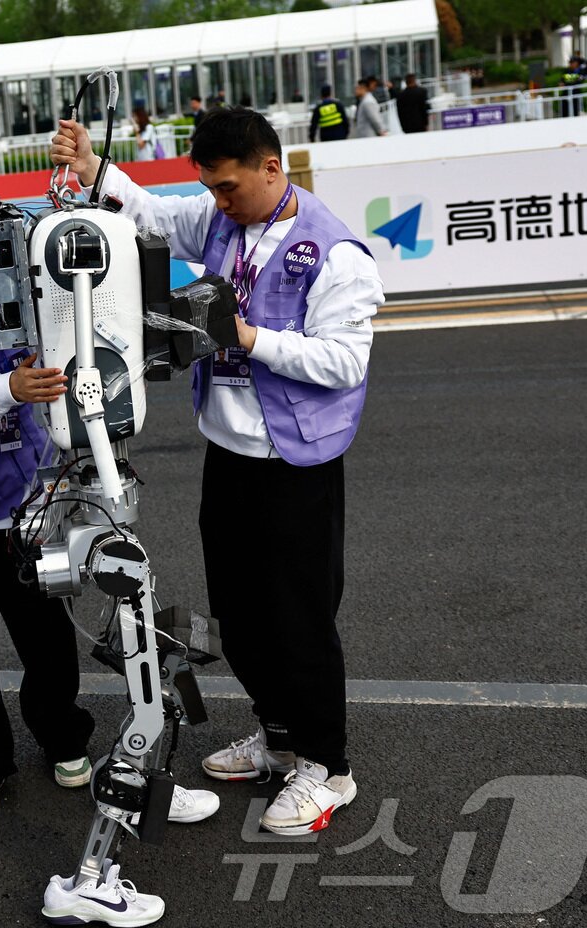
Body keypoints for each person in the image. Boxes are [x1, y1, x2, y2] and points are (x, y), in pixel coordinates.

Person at [51, 106, 381, 836]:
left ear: (273, 167)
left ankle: (329, 767)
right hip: (227, 456)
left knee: (300, 621)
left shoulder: (337, 252)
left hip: (296, 465)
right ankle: (278, 736)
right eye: (211, 188)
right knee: (241, 618)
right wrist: (91, 171)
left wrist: (251, 336)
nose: (218, 203)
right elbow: (154, 216)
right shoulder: (222, 219)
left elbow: (344, 361)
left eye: (229, 187)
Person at [0, 178, 219, 832]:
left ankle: (65, 736)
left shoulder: (17, 294)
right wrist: (10, 386)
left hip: (31, 504)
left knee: (47, 637)